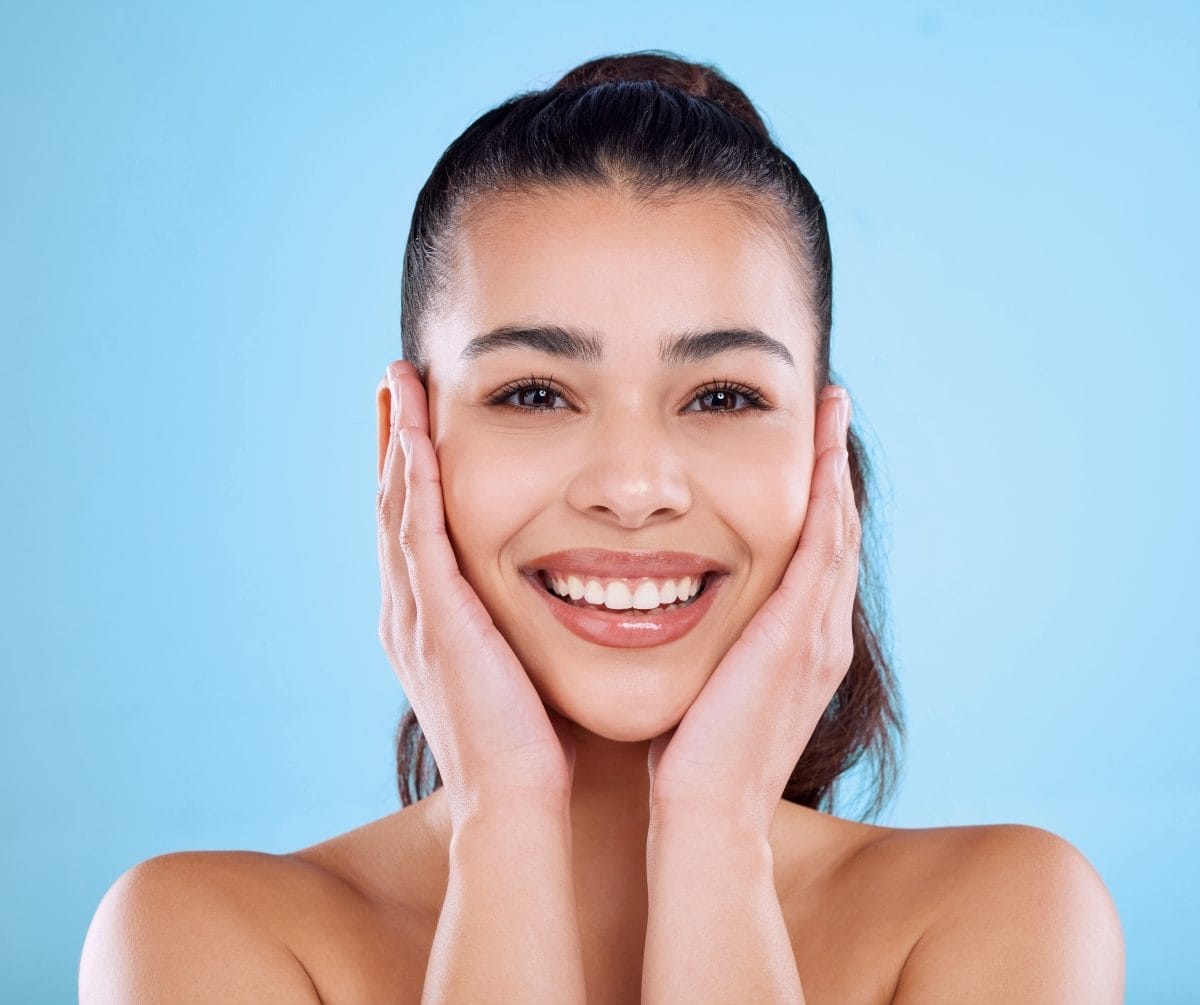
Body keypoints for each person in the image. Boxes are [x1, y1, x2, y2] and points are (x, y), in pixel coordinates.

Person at [79, 50, 1125, 1002]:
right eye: (535, 393)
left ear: (821, 452)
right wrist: (505, 820)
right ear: (407, 446)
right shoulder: (201, 940)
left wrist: (715, 837)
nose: (633, 489)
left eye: (722, 396)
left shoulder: (1005, 919)